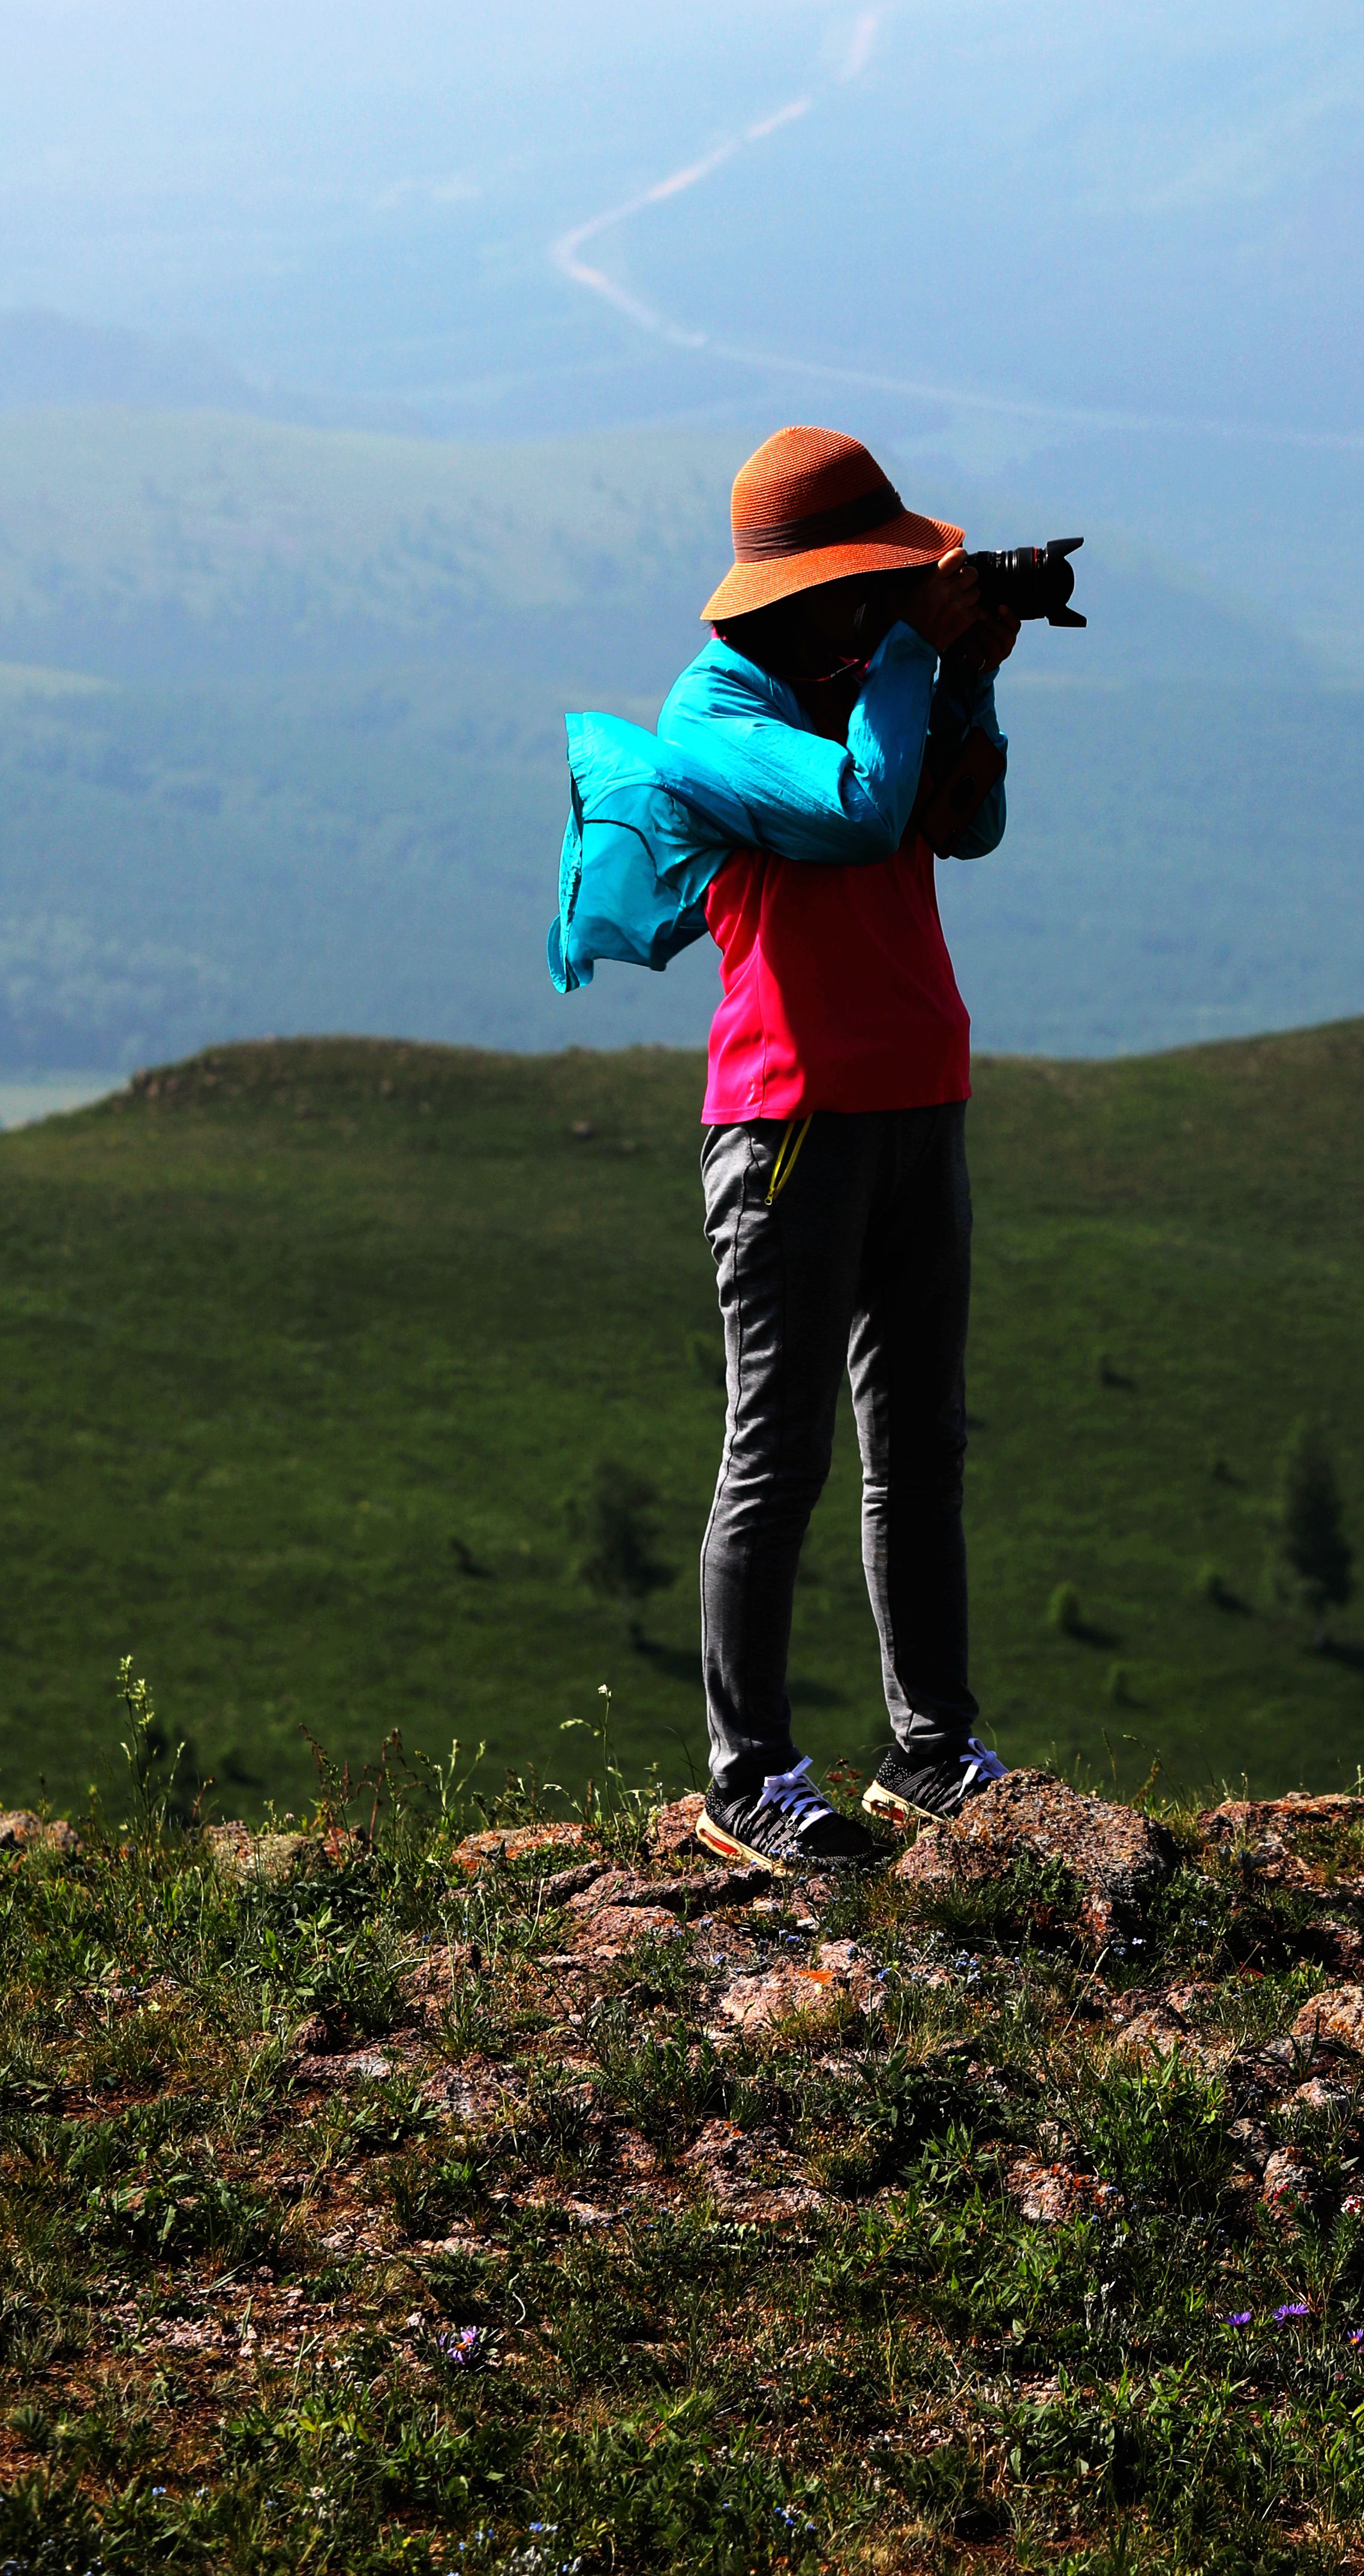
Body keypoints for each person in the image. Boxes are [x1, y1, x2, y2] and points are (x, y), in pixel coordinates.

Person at [548, 424, 1019, 1870]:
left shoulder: (861, 676)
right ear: (814, 589)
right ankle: (746, 1774)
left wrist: (971, 680)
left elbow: (967, 824)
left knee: (920, 1446)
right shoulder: (719, 715)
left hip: (913, 1096)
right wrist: (908, 661)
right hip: (789, 1125)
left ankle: (930, 1749)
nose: (890, 600)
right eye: (873, 584)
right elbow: (859, 812)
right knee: (779, 1455)